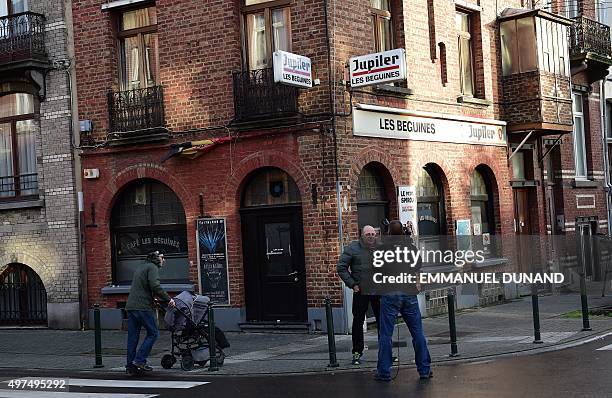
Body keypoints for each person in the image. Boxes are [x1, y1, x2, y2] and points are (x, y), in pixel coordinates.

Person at [375, 220, 432, 381]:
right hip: (408, 293)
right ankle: (424, 369)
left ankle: (384, 372)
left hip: (390, 293)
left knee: (386, 335)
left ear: (388, 233)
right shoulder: (410, 248)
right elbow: (417, 266)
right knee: (418, 333)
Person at [337, 225, 381, 365]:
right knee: (358, 322)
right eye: (368, 234)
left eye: (373, 233)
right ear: (362, 235)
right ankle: (357, 352)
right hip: (360, 291)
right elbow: (341, 267)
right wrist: (352, 284)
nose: (371, 236)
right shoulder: (353, 248)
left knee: (383, 322)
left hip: (378, 291)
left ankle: (386, 352)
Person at [125, 250, 175, 373]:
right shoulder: (152, 268)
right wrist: (168, 299)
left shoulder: (141, 267)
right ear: (156, 258)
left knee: (132, 338)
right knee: (153, 333)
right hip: (142, 307)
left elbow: (142, 287)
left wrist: (152, 297)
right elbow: (155, 285)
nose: (164, 260)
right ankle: (140, 360)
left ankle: (130, 366)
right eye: (162, 257)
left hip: (131, 306)